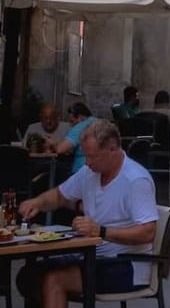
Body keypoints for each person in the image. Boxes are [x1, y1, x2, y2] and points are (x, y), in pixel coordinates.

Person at [17, 120, 160, 308]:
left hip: (126, 264)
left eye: (93, 157)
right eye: (86, 156)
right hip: (91, 256)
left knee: (54, 279)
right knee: (29, 275)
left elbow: (148, 232)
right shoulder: (89, 172)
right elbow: (60, 195)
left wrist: (101, 231)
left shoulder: (135, 180)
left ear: (112, 148)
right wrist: (37, 202)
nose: (87, 162)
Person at [54, 102, 97, 172]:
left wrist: (53, 143)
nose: (71, 125)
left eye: (72, 121)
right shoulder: (99, 122)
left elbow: (60, 149)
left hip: (81, 171)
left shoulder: (82, 126)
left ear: (80, 117)